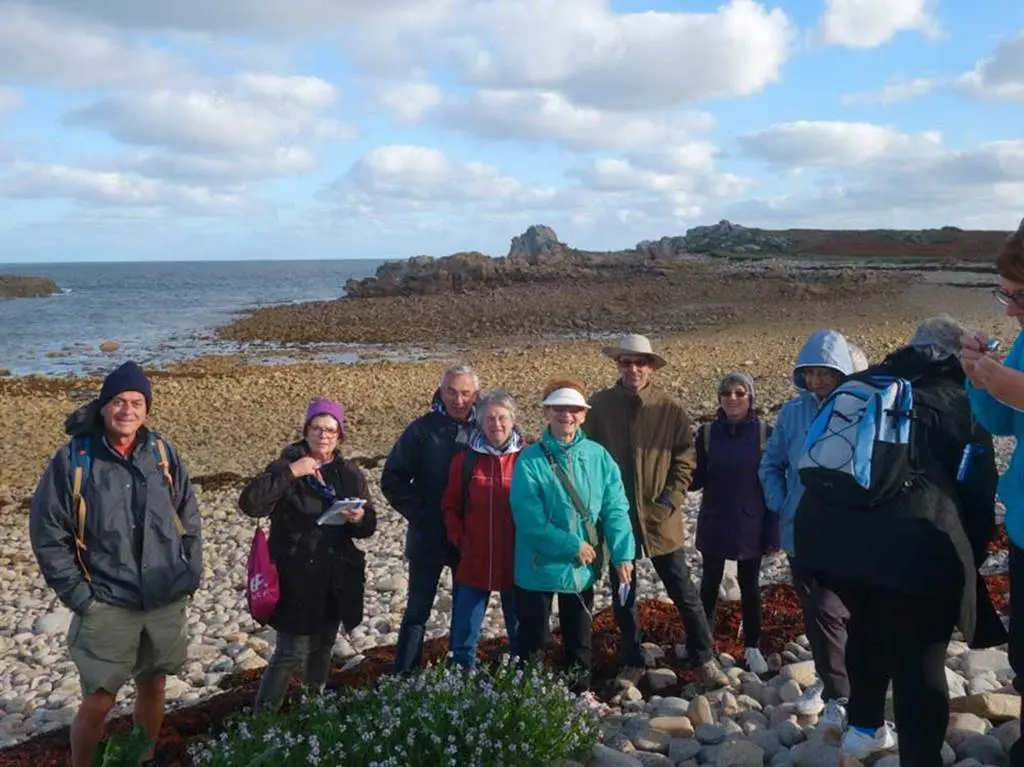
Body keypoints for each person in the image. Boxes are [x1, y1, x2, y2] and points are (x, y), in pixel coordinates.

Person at [797, 316, 1005, 766]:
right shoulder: (959, 398)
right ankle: (920, 758)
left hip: (834, 542)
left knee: (866, 626)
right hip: (913, 546)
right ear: (956, 354)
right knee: (920, 657)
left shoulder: (868, 381)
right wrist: (973, 550)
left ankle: (864, 729)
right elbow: (976, 485)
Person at [29, 361, 203, 767]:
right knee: (99, 698)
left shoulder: (161, 452)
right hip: (106, 600)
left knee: (154, 685)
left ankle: (141, 758)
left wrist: (189, 571)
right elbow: (47, 532)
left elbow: (188, 514)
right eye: (119, 401)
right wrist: (79, 596)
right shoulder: (75, 459)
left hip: (162, 596)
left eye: (137, 402)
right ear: (104, 406)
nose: (128, 410)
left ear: (147, 408)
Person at [585, 333, 729, 689]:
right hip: (618, 520)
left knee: (683, 590)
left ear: (651, 367)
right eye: (625, 362)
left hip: (660, 517)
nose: (632, 368)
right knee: (624, 595)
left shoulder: (670, 409)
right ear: (617, 365)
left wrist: (670, 498)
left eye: (640, 362)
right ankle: (632, 659)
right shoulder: (599, 407)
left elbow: (685, 457)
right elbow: (584, 455)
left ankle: (704, 657)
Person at [239, 398, 377, 713]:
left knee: (324, 647)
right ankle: (264, 717)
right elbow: (251, 505)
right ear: (306, 431)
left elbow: (368, 525)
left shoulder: (349, 473)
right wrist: (291, 472)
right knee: (290, 652)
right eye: (317, 428)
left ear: (340, 435)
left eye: (331, 430)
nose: (323, 436)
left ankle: (313, 709)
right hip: (294, 576)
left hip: (335, 576)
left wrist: (358, 518)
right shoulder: (285, 466)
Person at [509, 380, 636, 695]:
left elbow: (616, 507)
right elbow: (529, 520)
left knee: (579, 637)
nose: (566, 414)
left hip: (582, 567)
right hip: (538, 566)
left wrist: (622, 554)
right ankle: (530, 699)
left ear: (583, 415)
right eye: (559, 408)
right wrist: (572, 545)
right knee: (534, 641)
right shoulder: (530, 460)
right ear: (547, 413)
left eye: (574, 409)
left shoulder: (598, 456)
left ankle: (580, 695)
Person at [758, 329, 855, 736]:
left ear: (842, 374)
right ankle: (829, 678)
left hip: (845, 533)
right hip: (799, 532)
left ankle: (842, 694)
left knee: (830, 610)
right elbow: (771, 463)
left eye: (826, 374)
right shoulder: (792, 413)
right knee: (815, 614)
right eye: (810, 373)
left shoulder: (857, 409)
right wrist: (782, 504)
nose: (816, 382)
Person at [962, 217, 1024, 767]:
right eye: (1004, 295)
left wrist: (1017, 389)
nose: (1009, 311)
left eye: (1020, 296)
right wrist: (977, 376)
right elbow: (1004, 423)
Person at [382, 364, 480, 673]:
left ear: (476, 394)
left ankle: (460, 675)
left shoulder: (484, 429)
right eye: (451, 391)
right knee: (416, 613)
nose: (458, 399)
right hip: (427, 537)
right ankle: (404, 677)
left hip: (468, 539)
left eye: (465, 393)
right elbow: (392, 479)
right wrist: (422, 517)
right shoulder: (422, 429)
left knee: (465, 613)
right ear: (440, 391)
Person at [692, 371, 776, 675]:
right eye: (726, 394)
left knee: (750, 587)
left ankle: (752, 645)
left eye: (740, 393)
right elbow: (696, 478)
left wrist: (774, 530)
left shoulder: (766, 433)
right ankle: (704, 644)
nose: (733, 399)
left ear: (750, 397)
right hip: (715, 518)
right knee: (709, 585)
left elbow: (774, 481)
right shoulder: (706, 434)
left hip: (751, 522)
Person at [441, 388, 525, 668]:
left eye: (502, 418)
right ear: (480, 421)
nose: (496, 424)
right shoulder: (464, 461)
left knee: (521, 630)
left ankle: (522, 683)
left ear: (513, 420)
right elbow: (450, 505)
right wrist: (459, 539)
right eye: (490, 418)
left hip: (517, 559)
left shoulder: (527, 458)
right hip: (475, 558)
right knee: (465, 630)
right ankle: (462, 683)